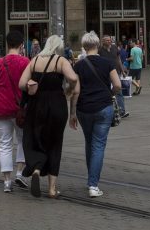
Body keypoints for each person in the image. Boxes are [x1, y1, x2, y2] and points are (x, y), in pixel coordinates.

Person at [18, 35, 78, 199]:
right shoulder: (61, 61)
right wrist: (69, 89)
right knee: (55, 143)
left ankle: (36, 169)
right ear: (59, 47)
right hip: (57, 104)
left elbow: (21, 83)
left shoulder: (35, 60)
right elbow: (73, 77)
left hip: (37, 105)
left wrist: (31, 84)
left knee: (37, 138)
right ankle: (52, 189)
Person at [72, 31, 122, 198]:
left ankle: (91, 178)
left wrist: (72, 113)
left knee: (89, 142)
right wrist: (110, 93)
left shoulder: (78, 66)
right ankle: (93, 184)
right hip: (103, 107)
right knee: (98, 145)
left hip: (83, 109)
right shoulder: (107, 63)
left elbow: (75, 90)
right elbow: (118, 85)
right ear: (98, 45)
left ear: (84, 46)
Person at [0, 30, 31, 193]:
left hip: (1, 109)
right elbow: (29, 85)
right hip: (20, 110)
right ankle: (20, 172)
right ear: (21, 45)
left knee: (4, 144)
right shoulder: (26, 62)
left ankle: (6, 182)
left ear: (7, 44)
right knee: (22, 140)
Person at [98, 36, 129, 118]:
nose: (109, 41)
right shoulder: (100, 50)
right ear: (103, 41)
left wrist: (123, 71)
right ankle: (106, 109)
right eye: (107, 40)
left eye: (110, 40)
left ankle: (122, 111)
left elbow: (119, 60)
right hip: (105, 73)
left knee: (119, 91)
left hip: (116, 72)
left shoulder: (115, 48)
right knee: (105, 91)